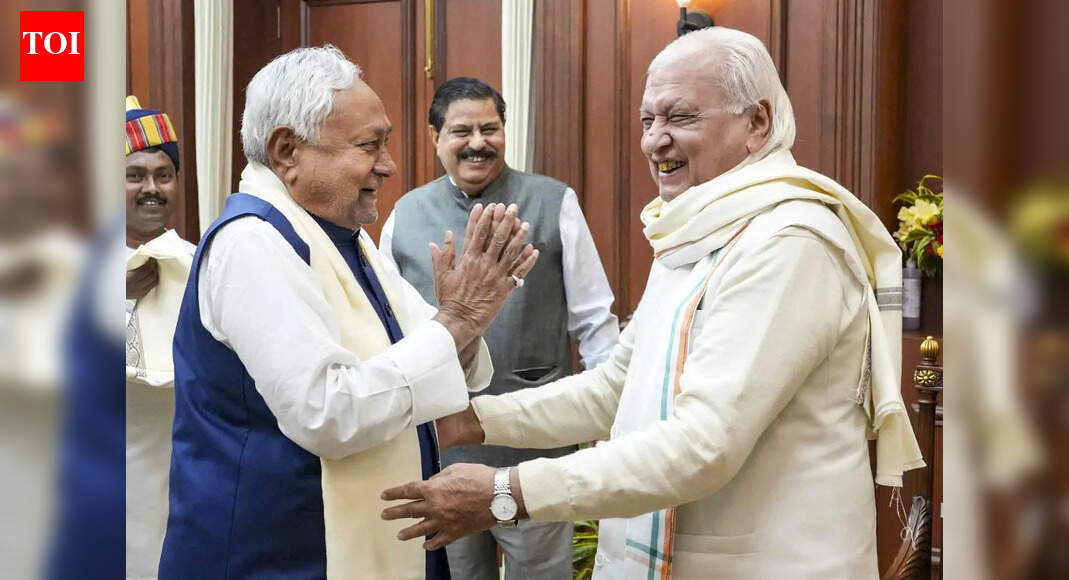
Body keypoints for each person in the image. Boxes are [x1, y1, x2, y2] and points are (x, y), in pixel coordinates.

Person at [382, 26, 925, 579]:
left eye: (680, 117)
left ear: (757, 122)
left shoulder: (788, 241)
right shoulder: (695, 232)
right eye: (648, 120)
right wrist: (470, 421)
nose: (653, 141)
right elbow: (615, 389)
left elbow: (704, 444)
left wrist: (507, 490)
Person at [159, 45, 537, 580]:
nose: (389, 165)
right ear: (287, 151)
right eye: (369, 145)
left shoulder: (345, 241)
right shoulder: (252, 245)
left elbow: (434, 352)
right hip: (277, 556)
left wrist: (470, 318)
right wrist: (459, 319)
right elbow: (327, 413)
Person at [379, 76, 619, 580]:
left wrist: (614, 420)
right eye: (461, 131)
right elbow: (387, 333)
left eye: (490, 128)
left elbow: (595, 322)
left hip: (536, 456)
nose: (477, 143)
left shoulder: (556, 202)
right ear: (434, 138)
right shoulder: (404, 216)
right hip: (445, 452)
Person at [123, 95, 196, 580]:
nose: (152, 188)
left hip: (186, 482)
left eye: (163, 174)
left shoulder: (202, 262)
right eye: (134, 176)